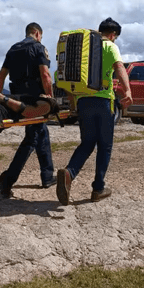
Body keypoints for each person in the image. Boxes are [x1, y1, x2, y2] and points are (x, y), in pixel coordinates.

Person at [56, 17, 133, 205]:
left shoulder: (84, 50)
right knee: (105, 146)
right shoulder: (109, 46)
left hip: (83, 101)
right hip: (103, 101)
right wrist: (128, 90)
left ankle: (69, 173)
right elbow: (119, 67)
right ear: (113, 35)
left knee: (87, 143)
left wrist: (74, 103)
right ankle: (98, 188)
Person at [0, 23, 55, 198]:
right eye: (41, 36)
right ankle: (7, 178)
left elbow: (1, 75)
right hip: (34, 100)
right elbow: (45, 75)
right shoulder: (38, 48)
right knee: (33, 138)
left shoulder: (13, 49)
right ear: (37, 33)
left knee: (41, 132)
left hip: (17, 100)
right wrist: (49, 99)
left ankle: (47, 176)